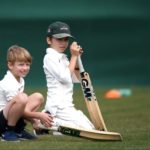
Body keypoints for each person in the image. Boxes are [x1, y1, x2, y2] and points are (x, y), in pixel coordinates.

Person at [42, 21, 95, 135]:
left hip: (66, 105)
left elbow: (77, 79)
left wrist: (77, 58)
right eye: (59, 39)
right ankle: (47, 123)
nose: (63, 43)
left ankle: (47, 122)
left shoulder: (64, 58)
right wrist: (74, 56)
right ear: (49, 40)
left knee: (90, 127)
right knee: (88, 130)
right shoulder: (49, 57)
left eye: (66, 39)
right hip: (58, 107)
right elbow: (65, 78)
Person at [0, 45, 53, 141]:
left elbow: (19, 109)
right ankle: (9, 132)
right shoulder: (8, 83)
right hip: (1, 121)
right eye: (21, 64)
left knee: (38, 97)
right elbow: (18, 109)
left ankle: (19, 130)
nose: (25, 68)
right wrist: (38, 117)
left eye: (27, 64)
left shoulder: (20, 79)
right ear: (10, 65)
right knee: (22, 98)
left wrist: (35, 121)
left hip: (8, 116)